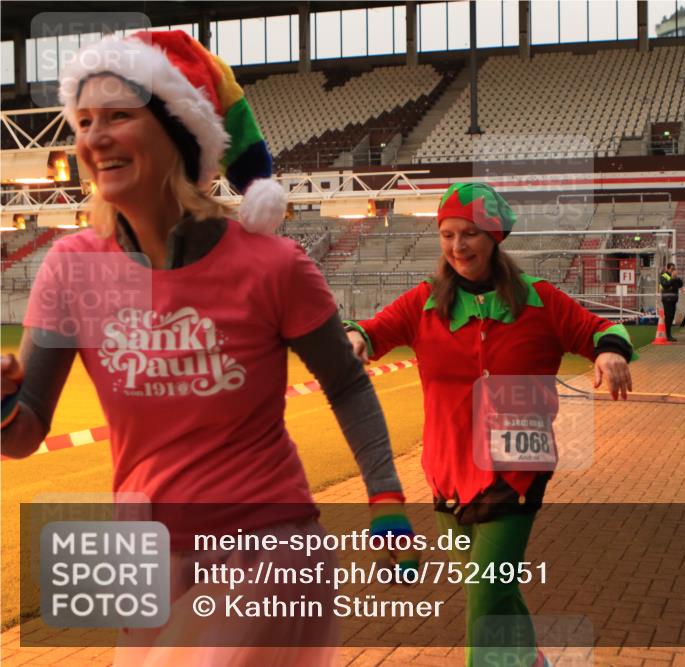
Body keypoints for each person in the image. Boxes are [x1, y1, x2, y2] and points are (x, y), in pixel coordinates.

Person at [0, 31, 414, 664]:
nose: (93, 137)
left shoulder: (274, 266)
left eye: (117, 116)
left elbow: (349, 383)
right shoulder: (68, 268)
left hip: (266, 551)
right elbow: (24, 432)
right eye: (83, 121)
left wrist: (385, 499)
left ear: (180, 132)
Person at [344, 182, 634, 667]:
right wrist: (354, 340)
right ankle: (530, 659)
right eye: (448, 234)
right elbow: (369, 331)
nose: (458, 247)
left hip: (516, 470)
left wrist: (610, 350)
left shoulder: (539, 301)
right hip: (446, 471)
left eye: (471, 234)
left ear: (495, 237)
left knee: (484, 594)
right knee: (494, 591)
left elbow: (603, 328)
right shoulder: (422, 303)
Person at [659, 261, 683, 342]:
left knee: (671, 317)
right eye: (672, 269)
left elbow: (680, 285)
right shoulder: (663, 276)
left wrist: (677, 278)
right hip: (667, 300)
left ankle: (668, 335)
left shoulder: (674, 277)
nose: (673, 270)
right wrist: (672, 279)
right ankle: (668, 335)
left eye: (674, 269)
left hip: (673, 300)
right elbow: (665, 285)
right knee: (668, 317)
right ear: (668, 269)